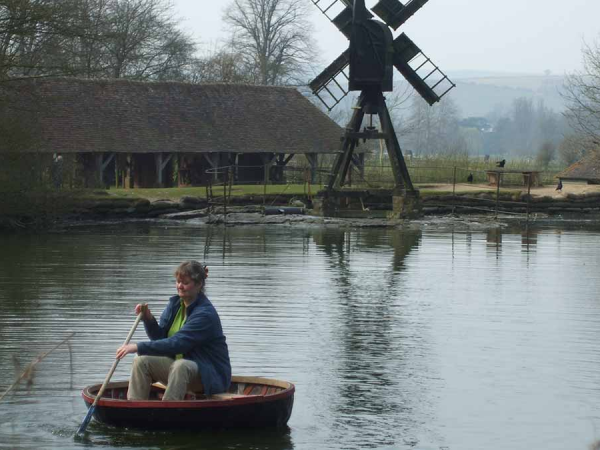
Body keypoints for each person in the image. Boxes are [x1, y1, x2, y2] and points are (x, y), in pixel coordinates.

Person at [116, 260, 231, 400]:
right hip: (180, 370)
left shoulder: (205, 314)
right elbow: (160, 339)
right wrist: (148, 319)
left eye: (185, 283)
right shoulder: (175, 305)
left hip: (210, 376)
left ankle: (167, 412)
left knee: (180, 366)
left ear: (199, 285)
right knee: (141, 361)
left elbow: (178, 343)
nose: (180, 286)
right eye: (178, 282)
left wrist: (137, 346)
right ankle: (134, 410)